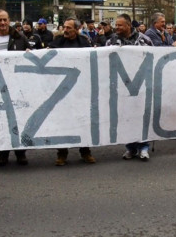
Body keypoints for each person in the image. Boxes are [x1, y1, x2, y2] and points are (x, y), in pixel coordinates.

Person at [0, 9, 31, 167]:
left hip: (17, 85)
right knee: (1, 120)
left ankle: (20, 153)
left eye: (5, 20)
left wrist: (29, 53)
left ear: (9, 20)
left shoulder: (19, 37)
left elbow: (29, 55)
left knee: (18, 119)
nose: (2, 23)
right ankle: (3, 154)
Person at [106, 14, 155, 161]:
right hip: (121, 86)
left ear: (128, 25)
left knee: (141, 116)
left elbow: (153, 58)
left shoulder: (144, 40)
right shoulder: (111, 42)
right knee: (125, 117)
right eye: (116, 25)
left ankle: (144, 147)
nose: (117, 27)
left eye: (120, 25)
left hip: (141, 85)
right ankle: (131, 148)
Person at [48, 17, 96, 166]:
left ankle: (85, 151)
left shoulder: (84, 42)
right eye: (64, 27)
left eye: (69, 28)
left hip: (80, 89)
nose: (66, 30)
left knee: (82, 120)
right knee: (63, 122)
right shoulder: (57, 41)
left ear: (76, 29)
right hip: (61, 88)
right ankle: (62, 153)